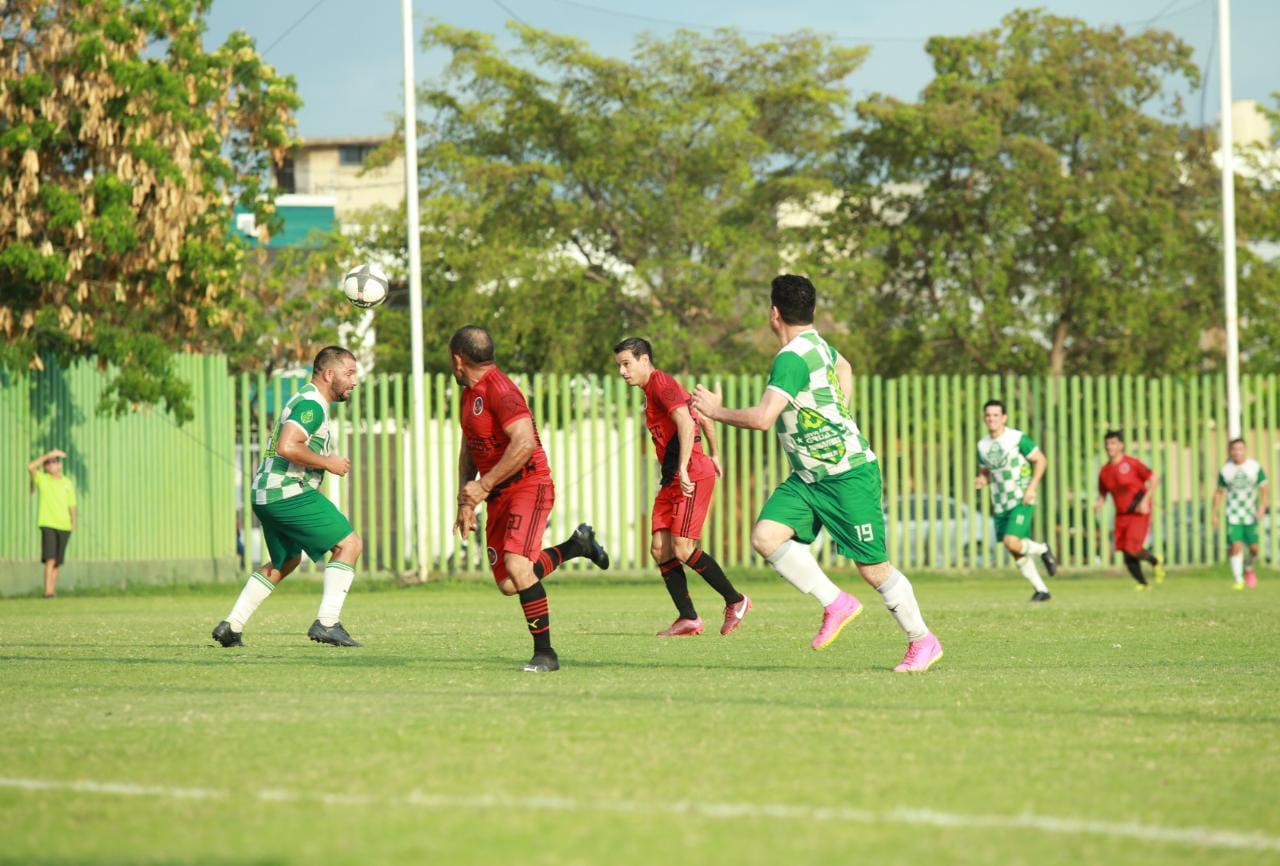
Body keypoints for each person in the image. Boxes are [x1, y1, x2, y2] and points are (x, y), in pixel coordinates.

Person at [692, 274, 942, 672]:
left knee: (874, 569)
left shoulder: (791, 358)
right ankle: (836, 602)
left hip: (847, 477)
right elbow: (846, 366)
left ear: (774, 314)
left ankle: (922, 641)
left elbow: (761, 419)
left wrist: (714, 411)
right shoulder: (817, 344)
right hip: (809, 478)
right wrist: (839, 410)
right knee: (767, 536)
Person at [450, 325, 610, 673]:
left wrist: (483, 485)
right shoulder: (469, 393)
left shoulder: (502, 391)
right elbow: (471, 446)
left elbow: (524, 444)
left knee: (518, 566)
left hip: (529, 485)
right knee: (510, 583)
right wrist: (467, 499)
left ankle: (546, 655)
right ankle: (576, 547)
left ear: (457, 360)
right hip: (498, 491)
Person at [212, 346, 366, 647]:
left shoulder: (305, 399)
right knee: (349, 544)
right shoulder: (312, 404)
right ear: (329, 373)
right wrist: (329, 462)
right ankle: (328, 622)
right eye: (349, 373)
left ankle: (231, 625)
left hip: (266, 493)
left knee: (286, 560)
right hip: (286, 491)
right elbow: (287, 446)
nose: (355, 381)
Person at [614, 337, 751, 637]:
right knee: (661, 549)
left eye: (626, 364)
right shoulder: (655, 389)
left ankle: (736, 600)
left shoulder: (661, 384)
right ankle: (688, 617)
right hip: (674, 477)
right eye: (619, 366)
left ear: (644, 360)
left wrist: (686, 466)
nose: (622, 371)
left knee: (682, 548)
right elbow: (699, 412)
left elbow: (687, 424)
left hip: (690, 475)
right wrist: (715, 452)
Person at [975, 400, 1059, 602]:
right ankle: (1042, 590)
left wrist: (1032, 487)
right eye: (988, 415)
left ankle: (1043, 549)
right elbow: (986, 470)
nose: (991, 418)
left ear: (1004, 417)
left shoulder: (1017, 438)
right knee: (1014, 549)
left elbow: (1041, 460)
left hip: (1021, 497)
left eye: (996, 415)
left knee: (1010, 541)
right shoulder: (982, 445)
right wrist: (981, 479)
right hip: (1000, 502)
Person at [1095, 430, 1166, 590]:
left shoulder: (1131, 463)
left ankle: (1155, 562)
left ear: (1121, 445)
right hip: (1121, 515)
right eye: (1107, 443)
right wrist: (1098, 503)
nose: (1109, 447)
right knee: (1126, 553)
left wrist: (1145, 500)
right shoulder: (1104, 471)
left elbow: (1154, 478)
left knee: (1131, 548)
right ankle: (1144, 582)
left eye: (1113, 443)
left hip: (1138, 511)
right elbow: (1103, 493)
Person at [1212, 438, 1267, 590]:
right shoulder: (1226, 470)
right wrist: (1214, 514)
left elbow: (1264, 488)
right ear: (1230, 451)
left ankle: (1249, 568)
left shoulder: (1254, 467)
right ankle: (1239, 579)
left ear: (1245, 449)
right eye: (1234, 449)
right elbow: (1219, 492)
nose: (1237, 452)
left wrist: (1262, 506)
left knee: (1254, 548)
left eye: (1240, 448)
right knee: (1235, 546)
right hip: (1233, 514)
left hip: (1250, 514)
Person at [28, 449, 76, 598]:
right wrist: (48, 455)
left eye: (55, 462)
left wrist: (73, 522)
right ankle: (47, 592)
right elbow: (30, 467)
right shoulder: (43, 480)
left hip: (64, 525)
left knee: (57, 562)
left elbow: (72, 505)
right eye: (50, 463)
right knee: (50, 558)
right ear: (46, 466)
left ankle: (52, 591)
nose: (53, 464)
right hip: (48, 523)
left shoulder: (67, 482)